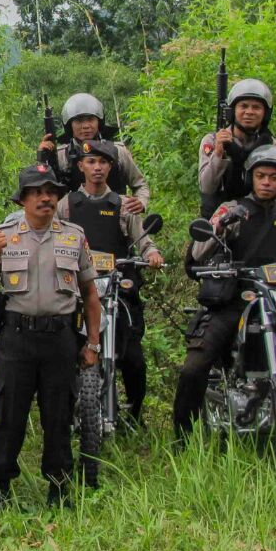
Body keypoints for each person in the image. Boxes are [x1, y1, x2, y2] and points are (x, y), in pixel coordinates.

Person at [0, 163, 101, 509]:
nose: (46, 198)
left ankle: (59, 491)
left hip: (60, 339)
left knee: (58, 417)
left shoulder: (74, 236)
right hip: (17, 338)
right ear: (23, 199)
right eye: (37, 193)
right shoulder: (2, 233)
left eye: (51, 193)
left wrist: (93, 343)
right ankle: (0, 492)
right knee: (9, 416)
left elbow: (90, 295)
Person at [173, 144, 276, 437]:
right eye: (261, 175)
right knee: (194, 368)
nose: (267, 182)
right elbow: (197, 252)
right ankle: (183, 437)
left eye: (274, 177)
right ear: (251, 177)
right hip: (234, 301)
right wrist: (220, 226)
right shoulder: (231, 208)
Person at [56, 139, 164, 428]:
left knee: (134, 358)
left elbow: (143, 240)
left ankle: (135, 414)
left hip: (116, 288)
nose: (97, 168)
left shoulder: (123, 206)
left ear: (111, 167)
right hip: (76, 292)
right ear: (81, 166)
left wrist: (151, 253)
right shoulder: (66, 205)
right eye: (91, 162)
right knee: (61, 350)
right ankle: (61, 413)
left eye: (103, 162)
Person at [197, 79, 276, 254]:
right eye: (243, 106)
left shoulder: (270, 145)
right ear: (232, 111)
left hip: (259, 217)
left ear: (265, 113)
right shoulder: (212, 141)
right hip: (222, 220)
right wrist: (219, 155)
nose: (249, 112)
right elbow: (206, 187)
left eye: (256, 107)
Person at [38, 93, 150, 211]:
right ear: (69, 125)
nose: (86, 126)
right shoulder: (61, 156)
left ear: (99, 122)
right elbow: (39, 189)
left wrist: (140, 202)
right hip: (73, 223)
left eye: (91, 119)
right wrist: (42, 158)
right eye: (79, 121)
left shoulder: (118, 152)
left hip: (116, 217)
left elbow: (140, 184)